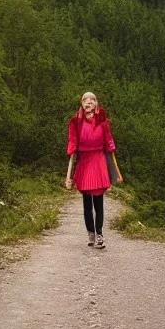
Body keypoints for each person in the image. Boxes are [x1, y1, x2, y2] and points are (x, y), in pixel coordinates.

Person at [65, 92, 119, 249]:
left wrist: (111, 147)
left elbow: (108, 138)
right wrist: (72, 149)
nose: (88, 102)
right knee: (87, 202)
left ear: (96, 103)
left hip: (98, 160)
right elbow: (72, 140)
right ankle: (91, 233)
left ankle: (100, 234)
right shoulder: (75, 122)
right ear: (82, 103)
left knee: (98, 201)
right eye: (85, 100)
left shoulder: (102, 121)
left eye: (92, 100)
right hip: (85, 161)